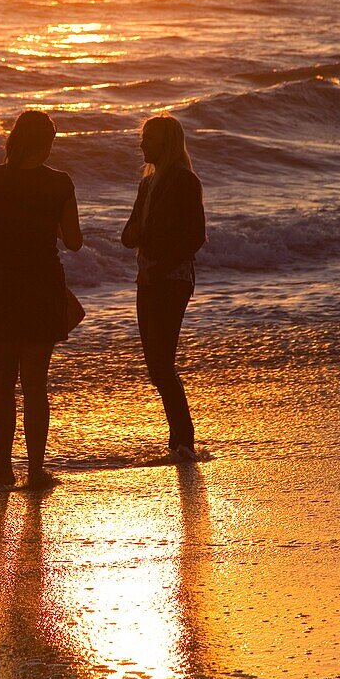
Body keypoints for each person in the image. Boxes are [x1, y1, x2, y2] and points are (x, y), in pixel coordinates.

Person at [0, 110, 82, 490]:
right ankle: (35, 471)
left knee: (1, 384)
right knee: (35, 385)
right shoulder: (61, 183)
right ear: (47, 144)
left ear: (15, 138)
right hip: (43, 287)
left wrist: (3, 236)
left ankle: (2, 470)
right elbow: (74, 240)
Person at [121, 113, 206, 461]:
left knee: (161, 362)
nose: (142, 144)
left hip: (172, 280)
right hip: (148, 279)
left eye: (150, 138)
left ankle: (183, 441)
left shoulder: (185, 181)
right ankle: (180, 440)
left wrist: (162, 268)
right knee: (156, 364)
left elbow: (195, 238)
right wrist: (131, 235)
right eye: (143, 138)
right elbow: (130, 233)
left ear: (167, 143)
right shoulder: (147, 183)